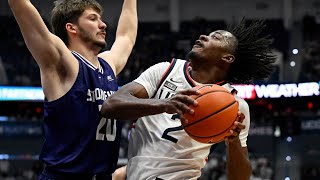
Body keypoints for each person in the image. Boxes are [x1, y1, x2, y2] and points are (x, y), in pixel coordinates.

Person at [102, 19, 276, 180]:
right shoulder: (165, 70)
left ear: (227, 58)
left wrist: (234, 142)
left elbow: (240, 178)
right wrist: (163, 104)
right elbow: (110, 106)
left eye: (214, 37)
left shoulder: (235, 105)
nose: (202, 37)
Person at [8, 0, 137, 179]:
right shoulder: (62, 62)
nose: (103, 24)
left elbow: (126, 37)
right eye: (93, 19)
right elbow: (23, 9)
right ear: (71, 28)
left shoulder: (108, 64)